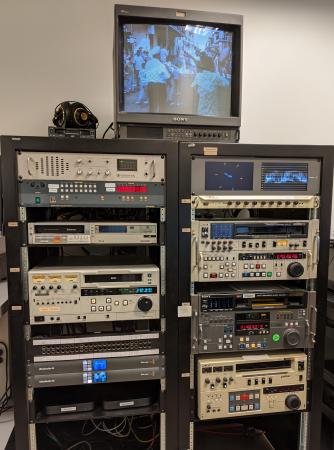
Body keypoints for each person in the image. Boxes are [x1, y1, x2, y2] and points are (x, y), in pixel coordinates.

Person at [192, 52, 229, 117]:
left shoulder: (198, 76)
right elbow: (227, 84)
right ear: (212, 65)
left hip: (201, 112)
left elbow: (195, 89)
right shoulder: (215, 76)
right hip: (213, 113)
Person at [144, 46, 171, 113]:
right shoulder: (160, 64)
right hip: (159, 87)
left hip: (150, 85)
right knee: (162, 106)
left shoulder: (147, 63)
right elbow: (167, 76)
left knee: (152, 106)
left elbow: (145, 74)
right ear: (158, 55)